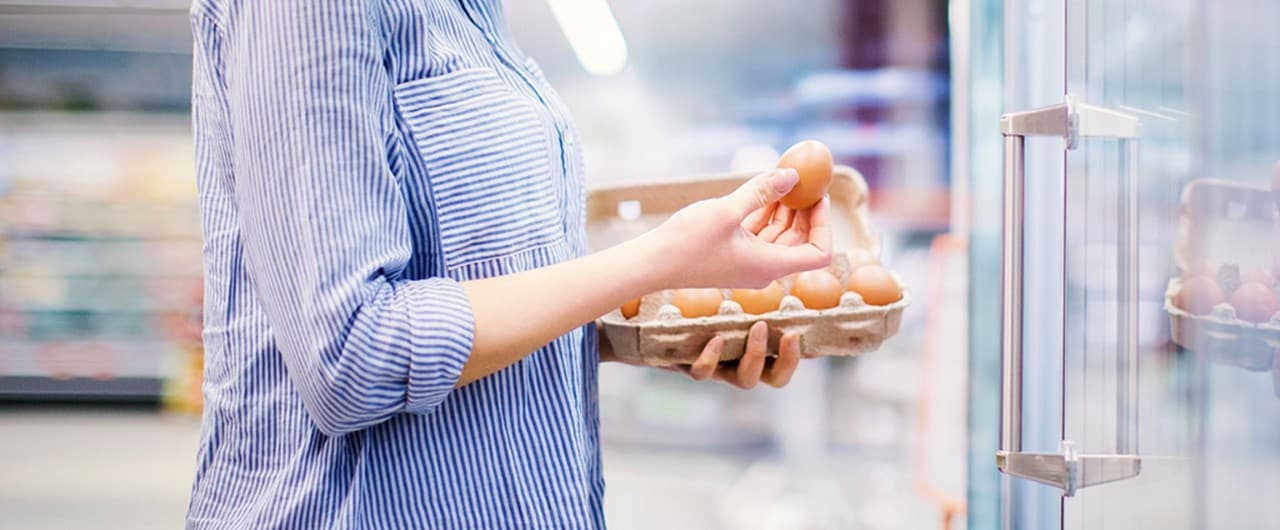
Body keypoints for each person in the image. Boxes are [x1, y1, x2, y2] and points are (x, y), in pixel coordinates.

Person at [185, 1, 832, 528]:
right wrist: (656, 262)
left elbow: (477, 288)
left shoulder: (476, 16)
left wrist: (635, 337)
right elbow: (351, 355)